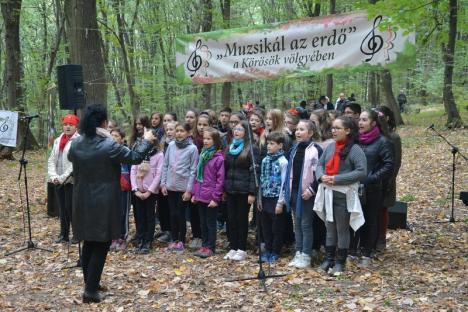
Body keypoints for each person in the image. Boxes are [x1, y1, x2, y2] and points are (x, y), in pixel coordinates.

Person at [68, 104, 156, 303]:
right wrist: (147, 141)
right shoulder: (109, 146)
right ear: (104, 123)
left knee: (89, 241)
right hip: (103, 200)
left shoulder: (76, 144)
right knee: (101, 243)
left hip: (82, 199)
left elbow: (71, 157)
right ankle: (90, 291)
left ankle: (91, 283)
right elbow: (134, 157)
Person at [314, 116, 367, 276]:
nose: (333, 130)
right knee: (329, 228)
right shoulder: (330, 147)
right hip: (327, 193)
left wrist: (337, 179)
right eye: (333, 127)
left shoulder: (355, 149)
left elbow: (361, 172)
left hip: (344, 195)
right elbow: (319, 164)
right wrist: (321, 176)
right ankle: (329, 259)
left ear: (348, 130)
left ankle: (340, 262)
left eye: (337, 128)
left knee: (342, 229)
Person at [354, 109, 394, 267]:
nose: (360, 123)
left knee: (371, 219)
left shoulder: (384, 142)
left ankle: (367, 253)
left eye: (364, 120)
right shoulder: (356, 140)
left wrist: (372, 178)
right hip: (354, 186)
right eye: (360, 119)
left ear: (373, 123)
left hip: (373, 188)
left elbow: (389, 165)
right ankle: (354, 250)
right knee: (356, 218)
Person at [279, 120, 322, 268]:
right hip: (294, 191)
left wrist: (311, 190)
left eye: (302, 129)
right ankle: (298, 252)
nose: (297, 132)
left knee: (306, 224)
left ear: (310, 133)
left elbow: (319, 173)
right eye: (297, 129)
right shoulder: (293, 149)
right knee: (297, 224)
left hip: (307, 193)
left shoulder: (315, 150)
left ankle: (306, 254)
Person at [223, 120, 259, 261]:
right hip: (231, 190)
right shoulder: (229, 147)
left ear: (246, 132)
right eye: (235, 129)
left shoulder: (251, 148)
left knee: (241, 220)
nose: (236, 132)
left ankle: (242, 248)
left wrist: (252, 192)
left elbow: (254, 172)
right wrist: (225, 189)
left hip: (244, 191)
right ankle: (233, 247)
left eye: (240, 130)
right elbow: (226, 170)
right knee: (231, 219)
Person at [160, 122, 199, 252]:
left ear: (188, 133)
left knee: (181, 214)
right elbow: (165, 165)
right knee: (172, 213)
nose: (179, 133)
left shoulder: (192, 149)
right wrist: (163, 183)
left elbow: (193, 170)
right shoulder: (171, 146)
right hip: (170, 186)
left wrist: (189, 190)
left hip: (183, 188)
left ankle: (181, 241)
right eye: (177, 131)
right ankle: (174, 239)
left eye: (182, 131)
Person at [191, 128, 225, 258]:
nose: (205, 141)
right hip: (200, 195)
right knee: (202, 222)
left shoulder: (218, 158)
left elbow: (220, 180)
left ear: (215, 141)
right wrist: (195, 193)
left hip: (210, 197)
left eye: (209, 139)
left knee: (210, 223)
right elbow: (197, 177)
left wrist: (215, 198)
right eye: (204, 138)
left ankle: (210, 247)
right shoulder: (202, 155)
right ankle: (204, 246)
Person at [48, 114, 80, 243]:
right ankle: (64, 234)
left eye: (71, 125)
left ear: (75, 126)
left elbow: (74, 163)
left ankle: (77, 235)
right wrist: (54, 176)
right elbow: (51, 160)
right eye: (65, 124)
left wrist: (62, 178)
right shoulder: (57, 140)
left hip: (71, 181)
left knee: (71, 208)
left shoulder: (78, 140)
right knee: (62, 208)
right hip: (58, 180)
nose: (67, 127)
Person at [130, 135, 164, 254]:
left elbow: (159, 174)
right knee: (139, 216)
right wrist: (135, 189)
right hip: (138, 191)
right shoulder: (138, 154)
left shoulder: (159, 155)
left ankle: (148, 241)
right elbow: (133, 170)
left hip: (150, 192)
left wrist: (150, 191)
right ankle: (140, 238)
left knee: (150, 216)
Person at [259, 132, 288, 263]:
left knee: (277, 227)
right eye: (268, 144)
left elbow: (284, 183)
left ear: (280, 145)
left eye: (272, 144)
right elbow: (261, 180)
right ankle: (268, 250)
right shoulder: (265, 160)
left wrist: (280, 203)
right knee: (266, 226)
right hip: (265, 197)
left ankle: (276, 251)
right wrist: (259, 199)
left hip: (276, 198)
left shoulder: (283, 162)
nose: (269, 146)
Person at [376, 106, 402, 251]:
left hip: (387, 179)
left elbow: (396, 162)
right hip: (373, 179)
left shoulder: (393, 137)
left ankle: (381, 239)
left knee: (383, 208)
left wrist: (390, 180)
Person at [109, 128, 132, 252]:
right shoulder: (107, 151)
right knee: (113, 212)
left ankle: (123, 237)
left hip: (124, 187)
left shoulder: (126, 151)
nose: (113, 138)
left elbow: (131, 169)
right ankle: (114, 237)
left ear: (122, 139)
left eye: (116, 136)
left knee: (123, 212)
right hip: (111, 187)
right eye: (111, 135)